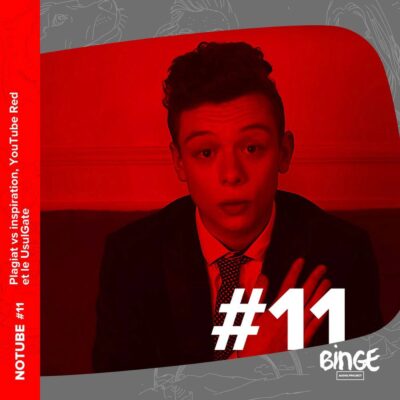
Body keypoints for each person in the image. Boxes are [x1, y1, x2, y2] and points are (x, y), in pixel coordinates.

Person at [93, 41, 382, 372]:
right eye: (206, 152)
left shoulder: (341, 253)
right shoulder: (131, 259)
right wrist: (250, 365)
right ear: (180, 162)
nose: (231, 175)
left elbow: (359, 382)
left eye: (251, 148)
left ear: (284, 152)